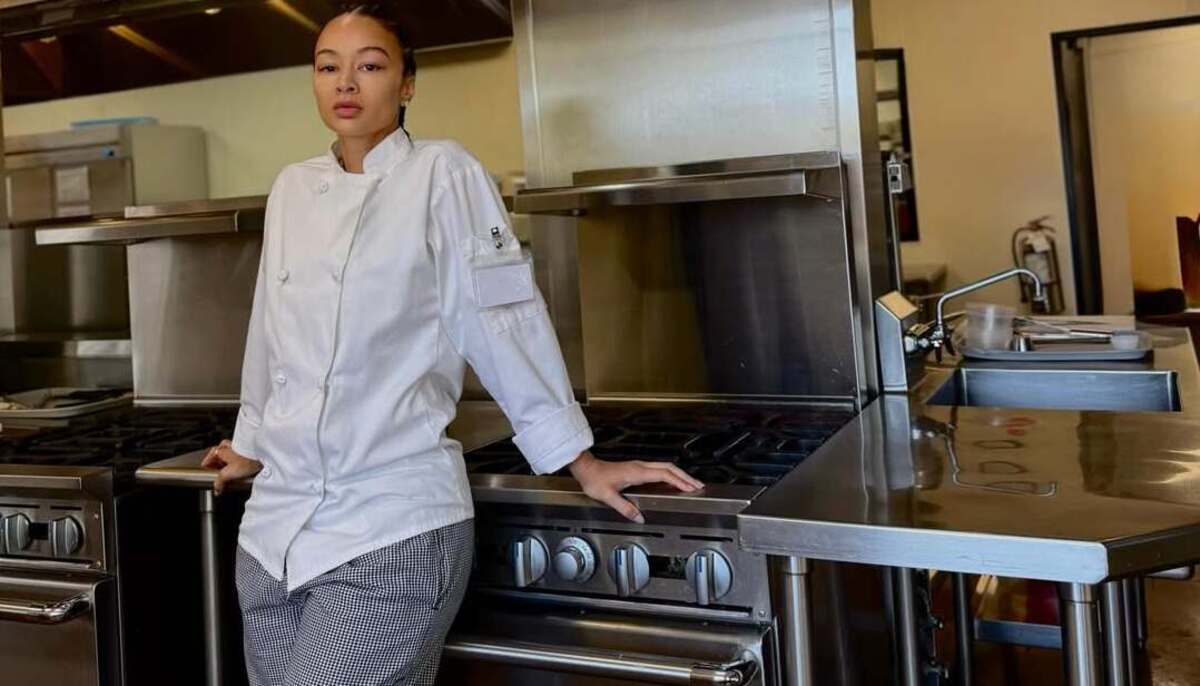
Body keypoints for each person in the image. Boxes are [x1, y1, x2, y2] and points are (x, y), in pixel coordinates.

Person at [199, 3, 703, 685]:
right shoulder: (292, 188)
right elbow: (271, 329)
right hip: (272, 537)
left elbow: (501, 319)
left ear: (407, 84)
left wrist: (578, 460)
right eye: (328, 67)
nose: (346, 83)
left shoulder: (443, 174)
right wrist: (252, 441)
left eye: (370, 66)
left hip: (389, 528)